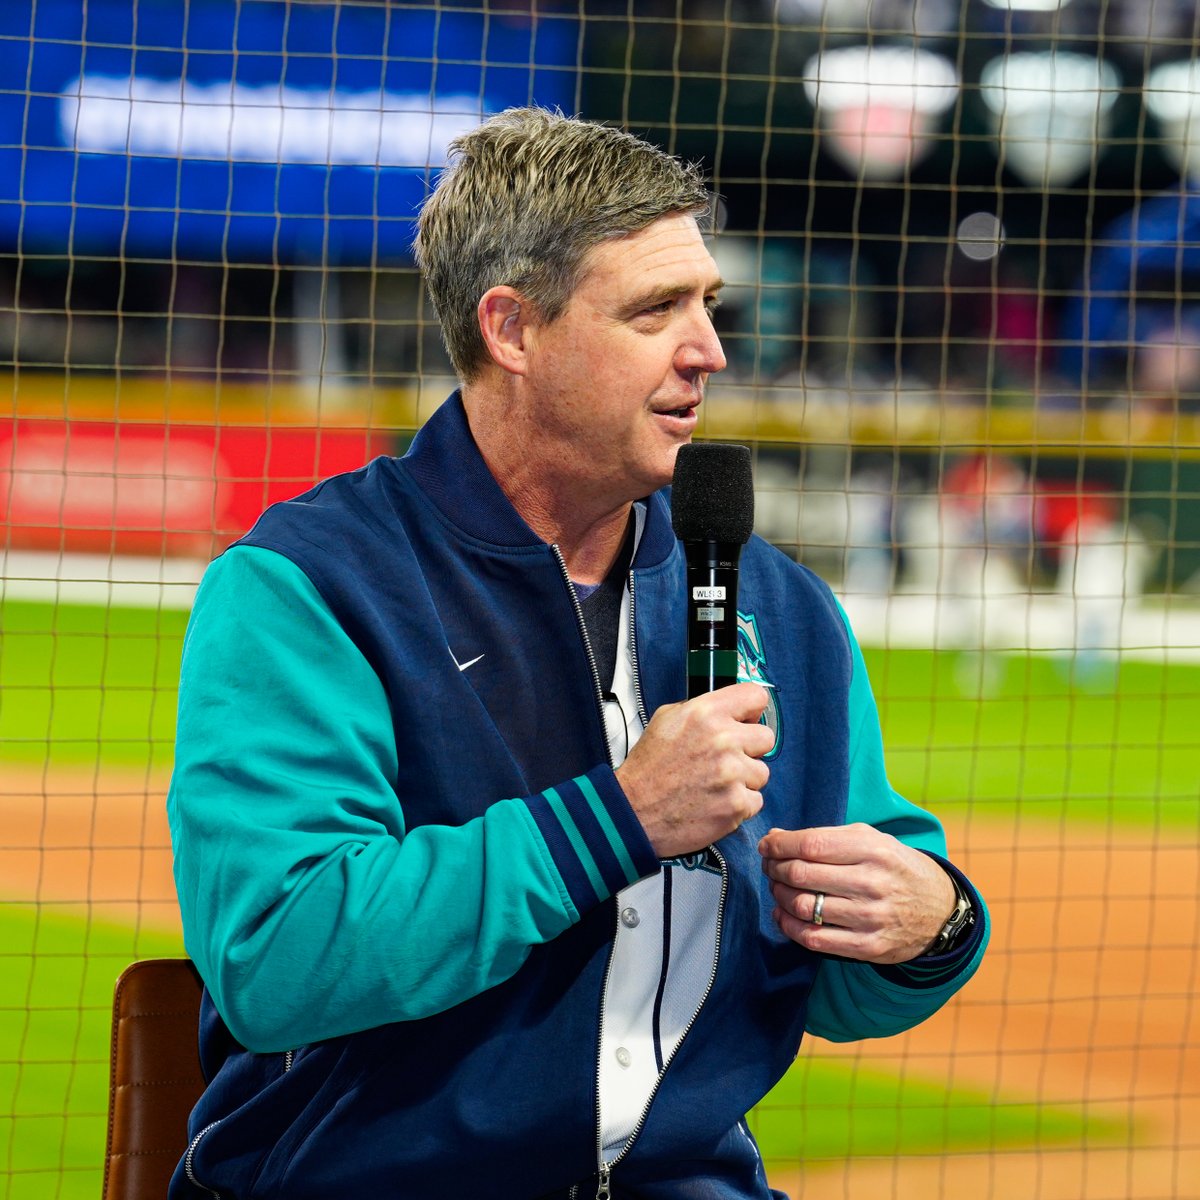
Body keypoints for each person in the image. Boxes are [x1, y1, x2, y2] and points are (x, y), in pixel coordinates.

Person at [167, 107, 988, 1200]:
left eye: (709, 304)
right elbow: (279, 958)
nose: (710, 351)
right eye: (656, 310)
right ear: (512, 330)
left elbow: (834, 981)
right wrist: (619, 820)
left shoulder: (782, 607)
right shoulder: (308, 587)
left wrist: (930, 925)